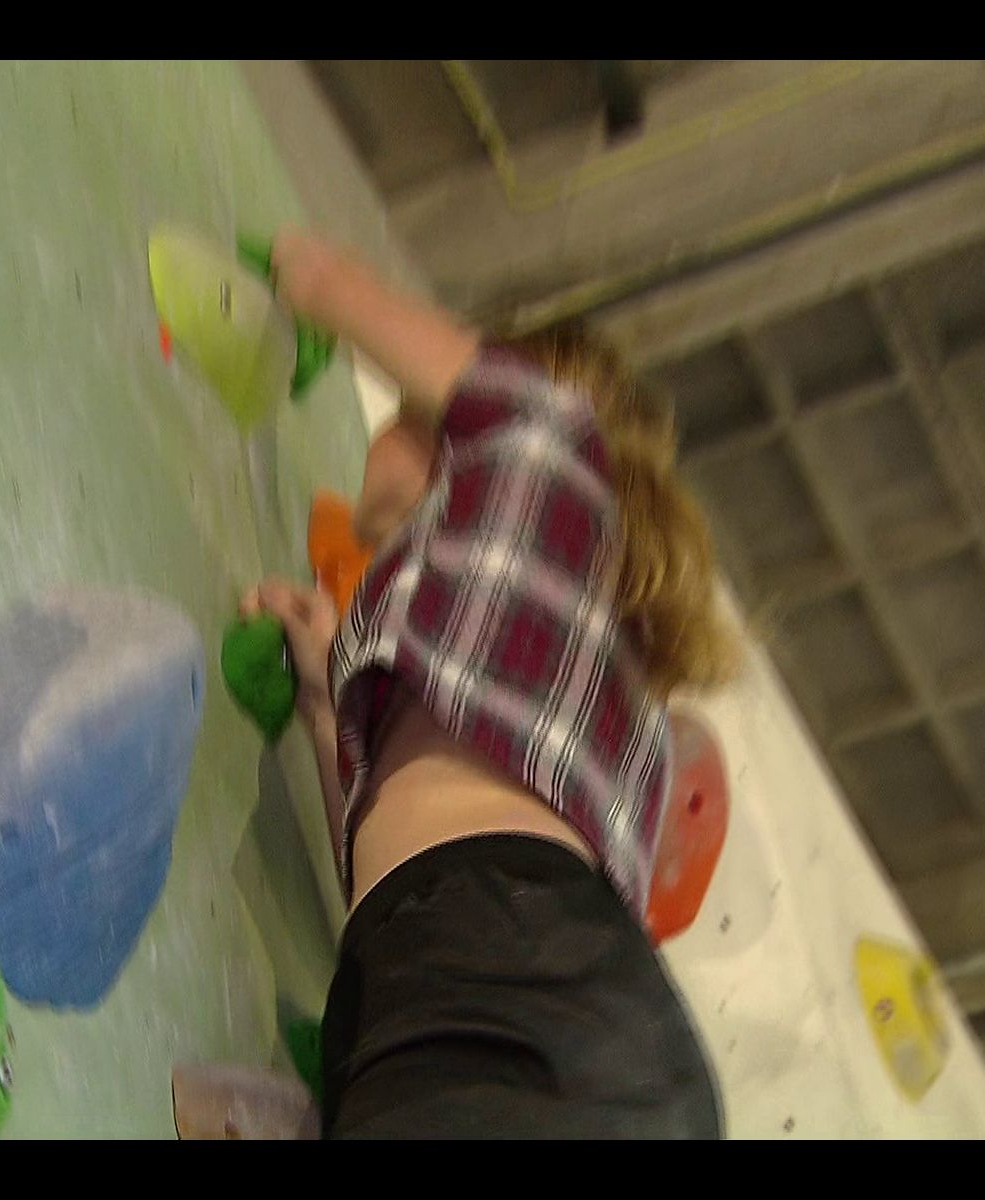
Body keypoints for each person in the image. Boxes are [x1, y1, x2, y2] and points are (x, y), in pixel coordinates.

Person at [243, 230, 740, 1139]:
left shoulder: (538, 460)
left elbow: (539, 407)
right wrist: (324, 710)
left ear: (456, 436)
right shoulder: (577, 694)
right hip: (543, 1018)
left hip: (508, 989)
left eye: (408, 404)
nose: (381, 432)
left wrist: (326, 285)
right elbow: (394, 873)